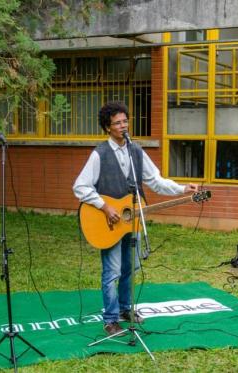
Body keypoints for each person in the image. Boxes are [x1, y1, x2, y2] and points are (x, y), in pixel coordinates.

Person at [73, 101, 199, 336]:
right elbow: (80, 186)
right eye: (117, 123)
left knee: (130, 268)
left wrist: (183, 189)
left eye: (125, 121)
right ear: (107, 127)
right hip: (108, 222)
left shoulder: (136, 151)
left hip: (133, 220)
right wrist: (104, 206)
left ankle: (125, 309)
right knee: (112, 271)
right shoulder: (99, 154)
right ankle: (110, 319)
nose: (123, 126)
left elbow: (156, 181)